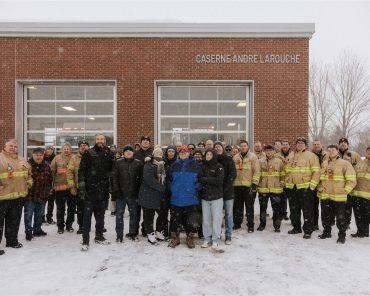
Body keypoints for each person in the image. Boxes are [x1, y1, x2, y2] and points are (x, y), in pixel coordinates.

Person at [79, 134, 114, 251]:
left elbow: (113, 170)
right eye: (98, 139)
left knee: (100, 217)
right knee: (87, 217)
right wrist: (82, 185)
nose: (100, 141)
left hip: (103, 191)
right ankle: (85, 240)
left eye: (102, 139)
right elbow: (81, 170)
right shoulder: (89, 153)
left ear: (105, 140)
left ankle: (99, 236)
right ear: (95, 140)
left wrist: (109, 178)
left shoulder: (108, 153)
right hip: (90, 190)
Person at [317, 145, 356, 243]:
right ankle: (327, 232)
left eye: (333, 150)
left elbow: (351, 180)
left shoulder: (345, 164)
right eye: (329, 150)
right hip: (326, 194)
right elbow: (319, 177)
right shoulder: (324, 163)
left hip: (338, 196)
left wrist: (345, 191)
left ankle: (342, 235)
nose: (330, 152)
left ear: (337, 151)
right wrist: (320, 187)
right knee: (326, 216)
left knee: (340, 217)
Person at [0, 139, 32, 255]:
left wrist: (29, 183)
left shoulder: (21, 160)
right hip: (2, 197)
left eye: (15, 146)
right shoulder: (0, 158)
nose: (13, 148)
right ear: (5, 146)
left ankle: (12, 241)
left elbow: (28, 174)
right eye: (11, 146)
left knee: (14, 221)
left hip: (18, 197)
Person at [284, 137, 320, 239]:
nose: (300, 144)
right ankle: (296, 228)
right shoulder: (291, 155)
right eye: (298, 143)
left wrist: (312, 186)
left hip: (306, 188)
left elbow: (316, 172)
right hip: (292, 187)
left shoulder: (311, 156)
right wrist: (287, 183)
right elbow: (287, 170)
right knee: (294, 209)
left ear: (305, 145)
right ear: (295, 145)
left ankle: (308, 230)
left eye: (302, 143)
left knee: (307, 210)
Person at [168, 146, 202, 249]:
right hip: (176, 198)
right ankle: (175, 238)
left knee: (191, 220)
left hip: (191, 198)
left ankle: (190, 238)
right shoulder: (174, 165)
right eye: (181, 152)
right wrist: (172, 189)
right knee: (175, 219)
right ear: (178, 154)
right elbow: (168, 180)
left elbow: (201, 180)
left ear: (189, 153)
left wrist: (196, 188)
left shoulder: (195, 165)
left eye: (185, 152)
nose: (183, 153)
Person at [111, 145, 143, 242]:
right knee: (119, 215)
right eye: (126, 151)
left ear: (133, 153)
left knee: (134, 214)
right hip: (121, 194)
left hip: (133, 194)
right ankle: (119, 235)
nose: (128, 152)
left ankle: (132, 233)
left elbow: (141, 179)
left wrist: (138, 191)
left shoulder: (138, 163)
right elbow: (114, 178)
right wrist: (117, 190)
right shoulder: (118, 162)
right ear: (123, 153)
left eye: (130, 150)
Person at [138, 147, 166, 245]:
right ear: (153, 154)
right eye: (157, 152)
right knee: (149, 216)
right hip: (148, 193)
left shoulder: (163, 164)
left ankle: (158, 231)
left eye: (160, 152)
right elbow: (149, 179)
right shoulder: (148, 164)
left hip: (159, 195)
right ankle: (150, 234)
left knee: (162, 214)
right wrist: (162, 187)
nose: (159, 154)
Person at [24, 148, 52, 241]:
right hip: (30, 196)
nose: (38, 157)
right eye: (36, 155)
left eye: (40, 155)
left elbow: (50, 180)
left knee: (39, 215)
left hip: (42, 195)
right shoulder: (27, 165)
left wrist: (47, 192)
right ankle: (28, 232)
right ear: (33, 155)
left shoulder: (47, 166)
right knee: (28, 216)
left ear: (43, 156)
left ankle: (37, 230)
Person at [233, 140, 261, 232]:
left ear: (248, 147)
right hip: (237, 186)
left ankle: (250, 225)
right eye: (241, 146)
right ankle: (237, 223)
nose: (243, 147)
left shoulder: (253, 157)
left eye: (245, 146)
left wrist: (254, 184)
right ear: (239, 147)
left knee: (249, 207)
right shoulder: (235, 157)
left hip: (249, 186)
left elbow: (257, 171)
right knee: (237, 207)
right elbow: (233, 172)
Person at [199, 149, 224, 250]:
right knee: (206, 219)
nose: (208, 156)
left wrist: (206, 180)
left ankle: (215, 239)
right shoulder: (202, 166)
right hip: (205, 197)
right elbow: (200, 178)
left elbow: (219, 180)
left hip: (216, 197)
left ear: (214, 155)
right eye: (207, 154)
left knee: (217, 219)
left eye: (210, 154)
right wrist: (209, 180)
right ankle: (207, 238)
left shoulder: (219, 166)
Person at [257, 144, 285, 232]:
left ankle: (277, 226)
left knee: (276, 209)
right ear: (265, 151)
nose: (269, 152)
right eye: (267, 150)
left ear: (273, 151)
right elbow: (257, 173)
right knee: (263, 208)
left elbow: (283, 174)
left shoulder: (279, 161)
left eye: (271, 150)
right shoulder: (260, 161)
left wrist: (282, 184)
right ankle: (262, 224)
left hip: (276, 188)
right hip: (263, 188)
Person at [214, 141, 237, 244]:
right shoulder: (213, 160)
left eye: (219, 147)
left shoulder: (228, 159)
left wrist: (226, 187)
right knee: (217, 215)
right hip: (216, 193)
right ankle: (217, 234)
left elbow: (233, 174)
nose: (217, 149)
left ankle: (228, 235)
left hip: (228, 192)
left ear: (222, 148)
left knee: (228, 214)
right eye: (216, 147)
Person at [338, 137, 361, 229]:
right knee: (338, 204)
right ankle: (338, 220)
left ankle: (346, 223)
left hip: (350, 184)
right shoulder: (335, 154)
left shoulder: (354, 155)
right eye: (341, 142)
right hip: (338, 184)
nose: (343, 144)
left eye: (345, 143)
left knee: (348, 205)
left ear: (347, 144)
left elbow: (360, 167)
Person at [67, 140, 89, 234]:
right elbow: (69, 173)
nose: (83, 147)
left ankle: (87, 225)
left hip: (90, 187)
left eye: (85, 145)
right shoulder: (74, 158)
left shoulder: (92, 157)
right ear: (79, 147)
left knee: (89, 208)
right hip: (79, 188)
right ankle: (81, 226)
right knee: (80, 209)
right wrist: (72, 186)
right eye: (81, 145)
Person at [51, 143, 74, 234]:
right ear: (61, 149)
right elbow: (52, 171)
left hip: (71, 187)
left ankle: (69, 225)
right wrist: (51, 184)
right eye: (65, 148)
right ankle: (60, 227)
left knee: (71, 208)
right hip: (59, 187)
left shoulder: (74, 158)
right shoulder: (56, 158)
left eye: (68, 148)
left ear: (70, 150)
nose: (66, 150)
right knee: (60, 208)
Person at [134, 135, 154, 236]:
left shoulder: (153, 153)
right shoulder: (136, 153)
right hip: (138, 184)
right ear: (141, 142)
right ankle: (135, 230)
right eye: (144, 140)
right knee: (137, 210)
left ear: (149, 143)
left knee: (147, 210)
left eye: (147, 140)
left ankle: (145, 229)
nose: (145, 142)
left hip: (149, 185)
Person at [351, 147, 370, 238]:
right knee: (358, 214)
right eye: (368, 151)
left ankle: (365, 232)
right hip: (357, 193)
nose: (369, 152)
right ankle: (360, 231)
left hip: (367, 195)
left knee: (366, 214)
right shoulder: (360, 163)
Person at [311, 139, 329, 230]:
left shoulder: (327, 155)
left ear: (321, 145)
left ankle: (326, 226)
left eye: (318, 144)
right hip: (313, 183)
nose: (316, 146)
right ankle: (314, 225)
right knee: (313, 206)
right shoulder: (309, 155)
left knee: (324, 207)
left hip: (323, 184)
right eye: (314, 144)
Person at [161, 145, 178, 238]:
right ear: (166, 152)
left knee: (174, 213)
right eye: (169, 151)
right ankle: (164, 231)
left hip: (174, 192)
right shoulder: (162, 162)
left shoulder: (177, 163)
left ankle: (173, 232)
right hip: (164, 191)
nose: (171, 153)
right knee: (163, 213)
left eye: (172, 151)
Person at [276, 140, 291, 220]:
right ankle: (281, 214)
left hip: (290, 180)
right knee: (281, 198)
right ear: (281, 146)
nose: (285, 146)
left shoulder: (293, 155)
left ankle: (290, 215)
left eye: (286, 144)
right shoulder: (277, 155)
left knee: (291, 200)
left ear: (289, 146)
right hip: (280, 179)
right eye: (283, 144)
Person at [44, 146, 56, 224]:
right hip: (43, 183)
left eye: (51, 149)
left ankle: (49, 217)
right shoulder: (42, 157)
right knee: (42, 202)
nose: (49, 150)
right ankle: (41, 218)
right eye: (48, 149)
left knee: (51, 202)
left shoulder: (55, 158)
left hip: (52, 182)